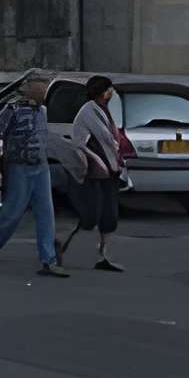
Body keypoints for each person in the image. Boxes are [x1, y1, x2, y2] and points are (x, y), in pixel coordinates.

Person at [0, 71, 66, 278]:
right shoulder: (12, 110)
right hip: (19, 167)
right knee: (12, 213)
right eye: (42, 85)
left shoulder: (42, 111)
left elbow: (47, 140)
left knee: (46, 214)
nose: (45, 90)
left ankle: (48, 260)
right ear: (29, 86)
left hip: (41, 168)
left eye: (46, 85)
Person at [73, 74, 127, 271]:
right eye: (109, 89)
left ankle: (103, 255)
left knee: (109, 214)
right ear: (103, 92)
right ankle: (62, 247)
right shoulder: (89, 111)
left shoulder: (104, 110)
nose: (112, 92)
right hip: (94, 170)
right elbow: (105, 138)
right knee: (91, 214)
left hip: (108, 170)